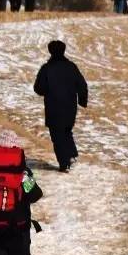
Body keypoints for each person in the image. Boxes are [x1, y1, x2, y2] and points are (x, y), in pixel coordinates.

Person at [33, 40, 88, 172]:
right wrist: (82, 101)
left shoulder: (46, 68)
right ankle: (72, 154)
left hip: (53, 106)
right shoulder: (71, 67)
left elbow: (38, 88)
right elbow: (82, 85)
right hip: (70, 106)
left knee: (57, 135)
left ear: (50, 51)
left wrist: (48, 91)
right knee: (66, 130)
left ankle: (64, 163)